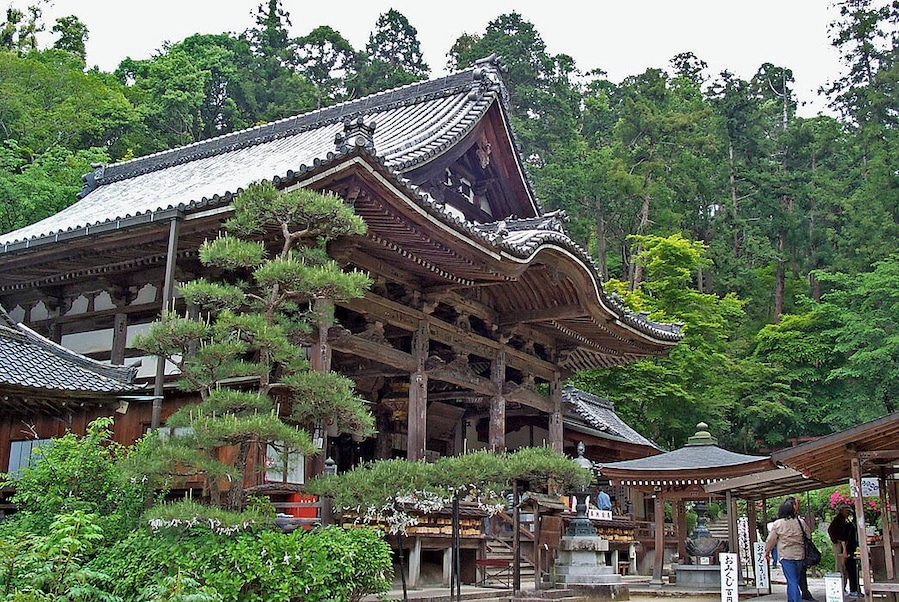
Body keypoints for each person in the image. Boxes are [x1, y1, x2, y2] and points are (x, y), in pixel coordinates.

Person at [766, 497, 807, 602]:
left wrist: (767, 551)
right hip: (800, 554)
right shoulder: (800, 522)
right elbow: (808, 536)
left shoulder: (778, 524)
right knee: (794, 580)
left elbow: (771, 540)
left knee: (791, 580)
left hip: (786, 555)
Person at [829, 503, 860, 598]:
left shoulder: (845, 520)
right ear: (842, 511)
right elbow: (831, 530)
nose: (848, 513)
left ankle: (845, 587)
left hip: (844, 544)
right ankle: (840, 587)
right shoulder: (838, 519)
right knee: (841, 566)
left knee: (846, 567)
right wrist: (836, 540)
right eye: (847, 511)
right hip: (840, 544)